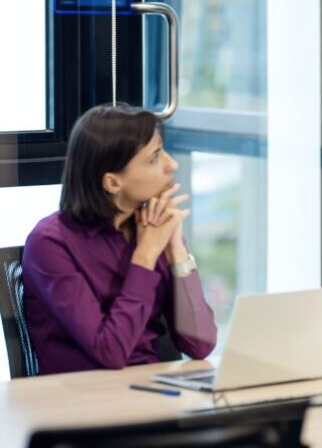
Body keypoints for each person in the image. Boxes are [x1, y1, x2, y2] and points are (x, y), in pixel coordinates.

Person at [21, 104, 217, 374]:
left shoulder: (152, 226)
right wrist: (146, 255)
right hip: (82, 400)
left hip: (152, 390)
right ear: (112, 183)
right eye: (155, 157)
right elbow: (110, 352)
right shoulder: (50, 244)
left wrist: (176, 251)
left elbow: (200, 345)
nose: (173, 164)